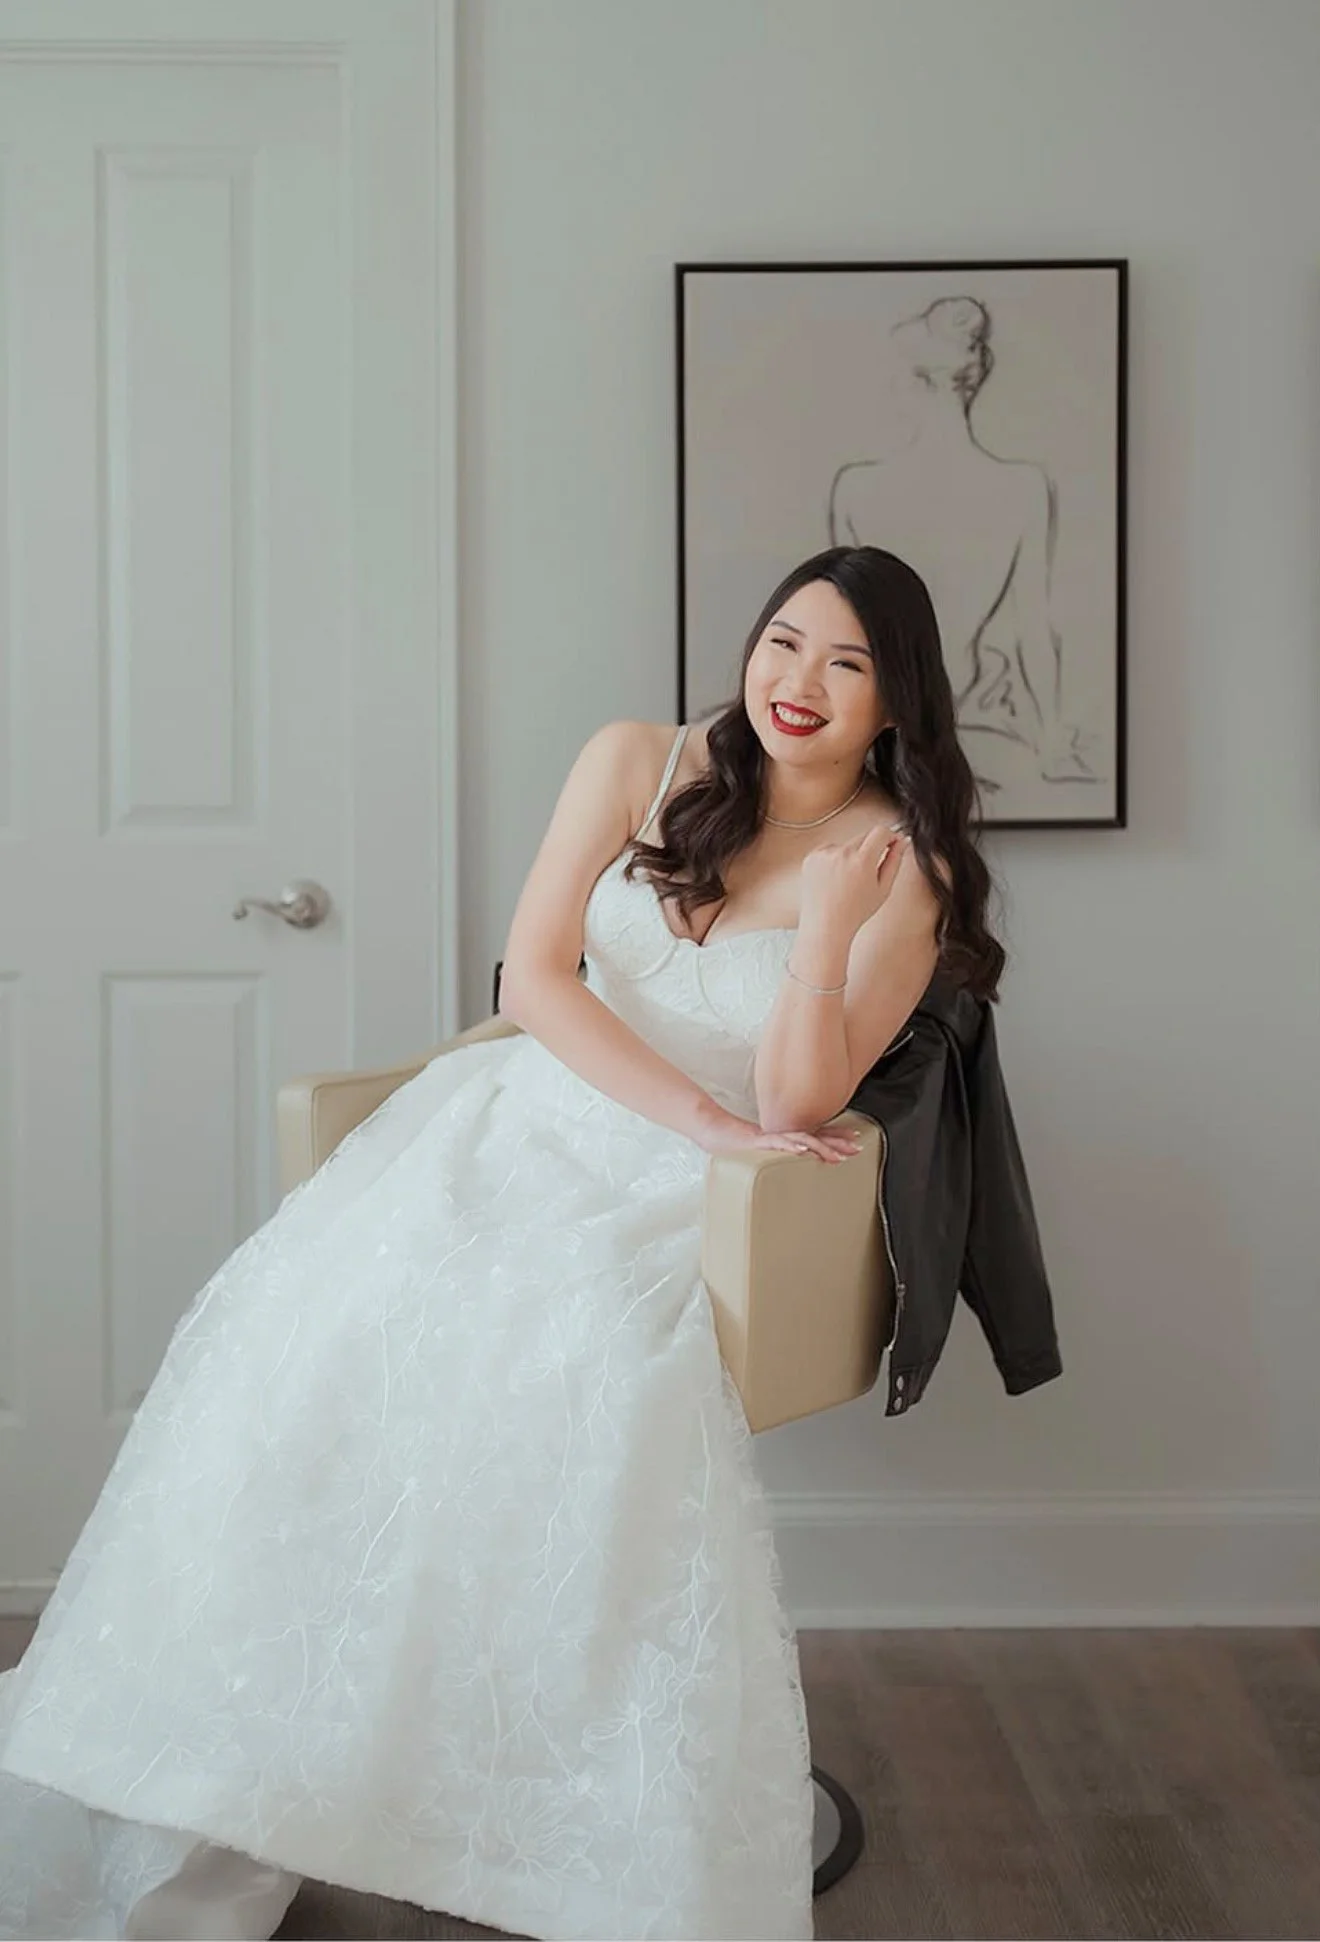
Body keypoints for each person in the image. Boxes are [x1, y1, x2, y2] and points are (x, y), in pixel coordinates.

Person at [0, 545, 1003, 1942]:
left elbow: (794, 1100)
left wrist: (829, 930)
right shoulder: (635, 759)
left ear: (896, 696)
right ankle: (275, 1747)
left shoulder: (909, 863)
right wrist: (687, 1113)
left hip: (705, 1183)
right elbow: (532, 974)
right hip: (526, 1114)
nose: (800, 684)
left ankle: (524, 1779)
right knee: (323, 1334)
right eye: (783, 644)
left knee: (574, 1340)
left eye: (846, 663)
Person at [828, 295, 1102, 794]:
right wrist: (1051, 741)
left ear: (916, 382)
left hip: (885, 719)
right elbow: (1033, 632)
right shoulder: (1023, 488)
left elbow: (843, 641)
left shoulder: (856, 488)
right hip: (948, 701)